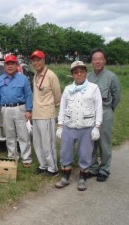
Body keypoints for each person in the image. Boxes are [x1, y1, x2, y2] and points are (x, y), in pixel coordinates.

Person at [55, 61, 103, 191]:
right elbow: (62, 108)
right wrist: (60, 125)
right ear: (72, 75)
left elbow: (98, 108)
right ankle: (65, 177)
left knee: (85, 153)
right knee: (65, 152)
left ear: (85, 73)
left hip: (86, 127)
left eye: (82, 71)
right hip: (69, 126)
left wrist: (96, 127)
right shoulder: (68, 89)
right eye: (76, 72)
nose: (79, 74)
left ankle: (82, 178)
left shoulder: (94, 88)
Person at [0, 54, 33, 168]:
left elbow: (28, 95)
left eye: (12, 64)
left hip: (20, 108)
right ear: (4, 66)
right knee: (9, 134)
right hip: (5, 109)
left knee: (23, 134)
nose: (10, 66)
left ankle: (26, 158)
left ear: (16, 65)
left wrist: (28, 110)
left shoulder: (23, 79)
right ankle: (12, 156)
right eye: (8, 64)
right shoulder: (0, 80)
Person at [87, 48, 121, 182]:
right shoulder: (88, 76)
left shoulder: (111, 77)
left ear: (104, 61)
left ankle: (104, 169)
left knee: (104, 143)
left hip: (105, 112)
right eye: (95, 59)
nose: (97, 62)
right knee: (91, 142)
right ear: (92, 61)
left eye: (100, 59)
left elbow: (116, 96)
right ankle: (93, 167)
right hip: (90, 113)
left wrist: (109, 109)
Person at [30, 50, 61, 176]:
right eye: (34, 60)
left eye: (38, 60)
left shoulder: (51, 75)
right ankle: (43, 165)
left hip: (47, 115)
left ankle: (53, 168)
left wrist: (50, 108)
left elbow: (58, 96)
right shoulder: (36, 75)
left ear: (44, 60)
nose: (36, 62)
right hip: (36, 114)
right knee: (37, 143)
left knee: (48, 143)